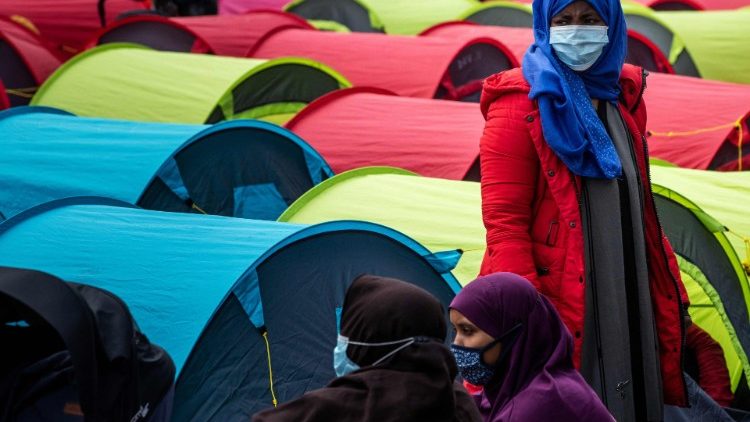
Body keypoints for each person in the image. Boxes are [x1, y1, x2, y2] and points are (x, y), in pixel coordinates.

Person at [477, 0, 690, 419]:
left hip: (626, 289)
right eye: (564, 21)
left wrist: (668, 290)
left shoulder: (621, 98)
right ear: (544, 25)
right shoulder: (519, 104)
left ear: (611, 25)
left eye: (590, 20)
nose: (578, 31)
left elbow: (639, 203)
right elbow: (505, 225)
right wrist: (529, 319)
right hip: (561, 297)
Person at [252, 274, 482, 422]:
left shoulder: (329, 410)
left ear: (367, 340)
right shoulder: (460, 403)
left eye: (347, 333)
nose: (341, 343)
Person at [450, 272, 614, 421]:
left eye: (467, 331)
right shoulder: (505, 389)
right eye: (454, 330)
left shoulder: (545, 403)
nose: (456, 343)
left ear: (512, 334)